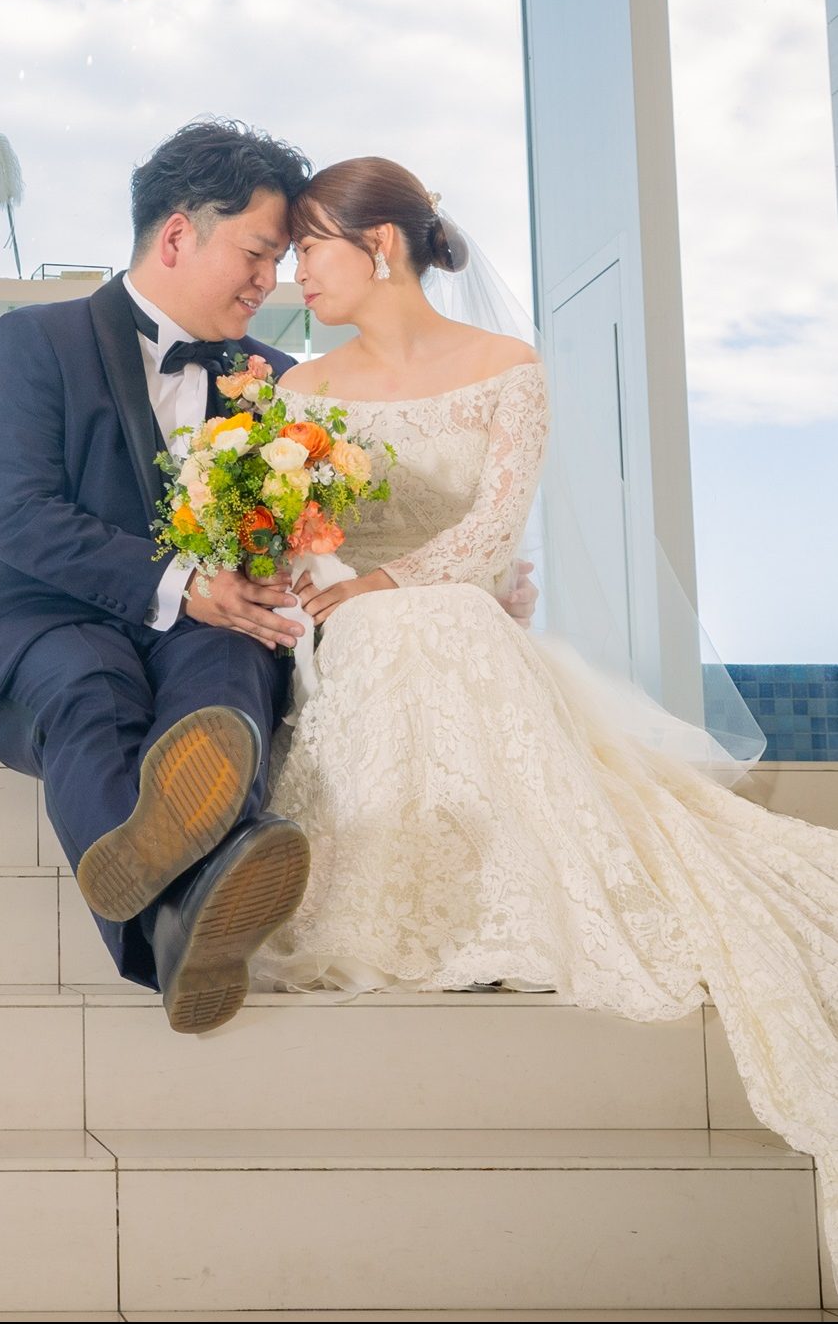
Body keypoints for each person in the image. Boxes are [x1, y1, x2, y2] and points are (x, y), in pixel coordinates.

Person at [252, 154, 838, 1258]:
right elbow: (288, 541)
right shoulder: (299, 390)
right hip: (348, 624)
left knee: (446, 616)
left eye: (310, 247)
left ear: (380, 245)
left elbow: (491, 533)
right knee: (410, 623)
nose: (296, 273)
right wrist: (326, 584)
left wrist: (386, 585)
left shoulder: (506, 369)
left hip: (448, 615)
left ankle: (495, 874)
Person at [0, 121, 533, 1033]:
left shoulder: (280, 383)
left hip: (214, 627)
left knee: (230, 679)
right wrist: (184, 584)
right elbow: (18, 514)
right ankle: (192, 904)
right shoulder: (38, 340)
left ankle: (185, 885)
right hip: (54, 621)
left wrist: (466, 582)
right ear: (178, 235)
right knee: (91, 688)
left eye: (285, 259)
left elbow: (340, 530)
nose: (272, 282)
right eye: (259, 254)